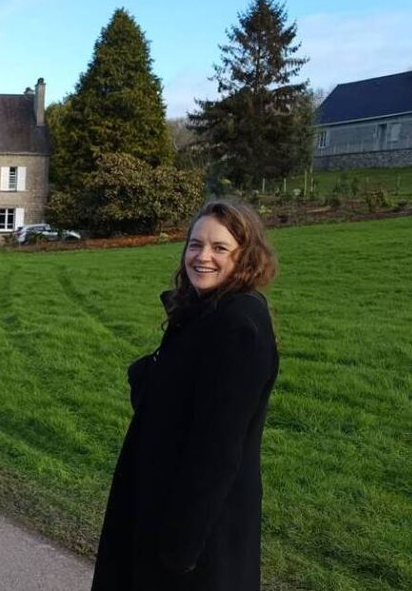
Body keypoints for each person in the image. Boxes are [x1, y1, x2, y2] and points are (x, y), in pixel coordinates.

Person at [91, 200, 280, 590]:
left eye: (219, 248)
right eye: (195, 245)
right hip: (162, 502)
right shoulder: (202, 310)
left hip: (196, 527)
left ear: (246, 257)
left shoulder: (238, 325)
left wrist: (182, 546)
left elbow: (219, 448)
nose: (202, 257)